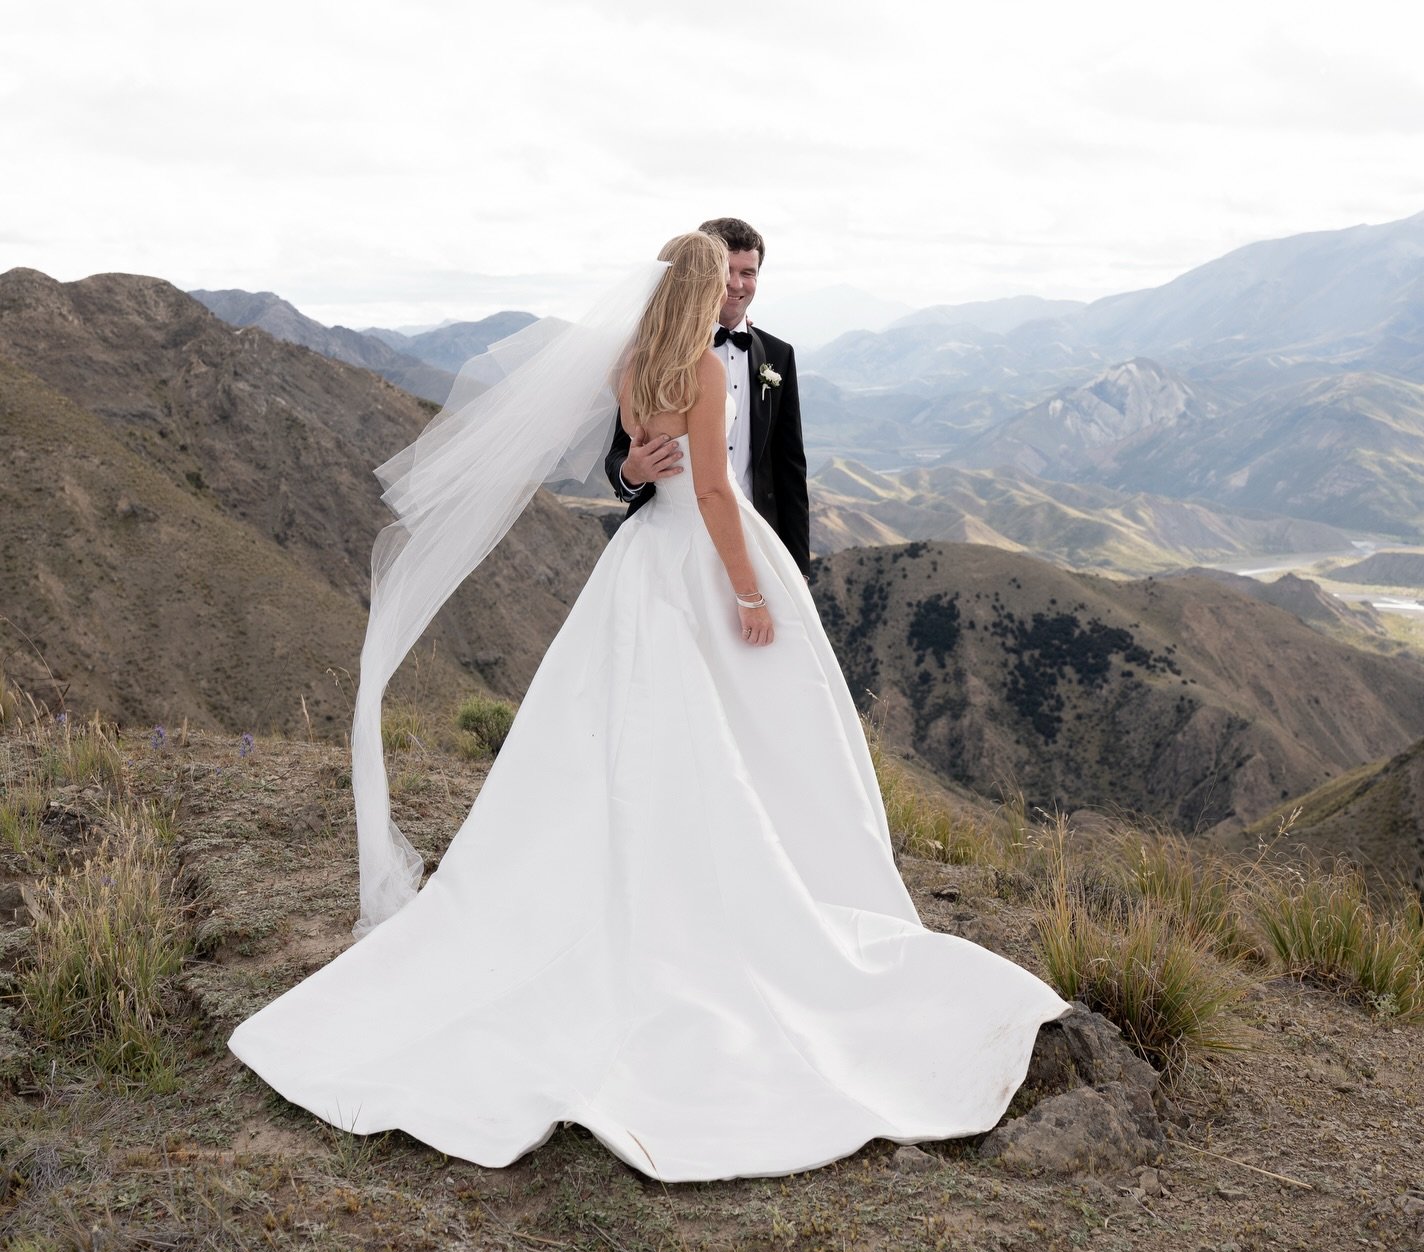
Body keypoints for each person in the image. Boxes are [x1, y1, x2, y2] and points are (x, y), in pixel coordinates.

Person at [227, 232, 1067, 1183]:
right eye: (728, 280)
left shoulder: (635, 363)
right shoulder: (706, 372)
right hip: (704, 560)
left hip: (641, 569)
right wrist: (750, 591)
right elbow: (707, 488)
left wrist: (654, 472)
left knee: (650, 733)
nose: (735, 293)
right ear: (709, 288)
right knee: (741, 726)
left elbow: (681, 461)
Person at [606, 216, 809, 576]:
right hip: (674, 544)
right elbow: (624, 448)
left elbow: (789, 469)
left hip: (757, 541)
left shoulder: (779, 355)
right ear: (703, 274)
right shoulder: (651, 358)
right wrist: (631, 473)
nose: (736, 284)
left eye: (749, 272)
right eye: (726, 271)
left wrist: (796, 569)